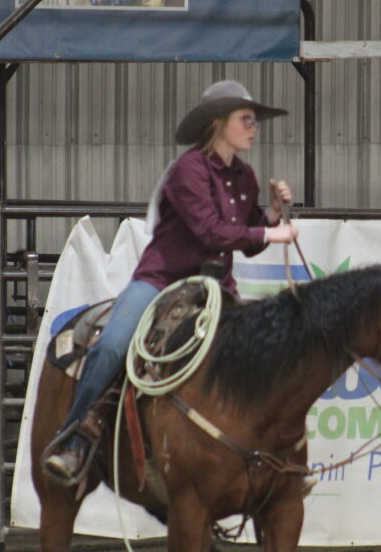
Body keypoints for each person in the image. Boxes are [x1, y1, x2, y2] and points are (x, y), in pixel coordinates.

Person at [43, 80, 298, 485]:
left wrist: (270, 215)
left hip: (216, 290)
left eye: (254, 120)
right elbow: (212, 233)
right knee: (111, 345)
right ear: (219, 123)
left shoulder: (245, 177)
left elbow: (244, 240)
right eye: (245, 119)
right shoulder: (188, 171)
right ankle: (74, 438)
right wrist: (272, 233)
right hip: (162, 281)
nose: (254, 127)